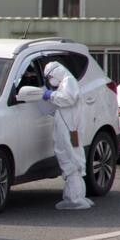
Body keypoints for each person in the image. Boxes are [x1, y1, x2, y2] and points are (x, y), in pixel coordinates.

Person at [42, 61, 94, 210]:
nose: (51, 81)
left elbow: (68, 99)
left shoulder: (68, 81)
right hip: (71, 128)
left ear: (55, 72)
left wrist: (50, 94)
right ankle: (78, 196)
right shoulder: (67, 82)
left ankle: (75, 198)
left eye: (50, 76)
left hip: (69, 128)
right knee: (74, 158)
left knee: (69, 158)